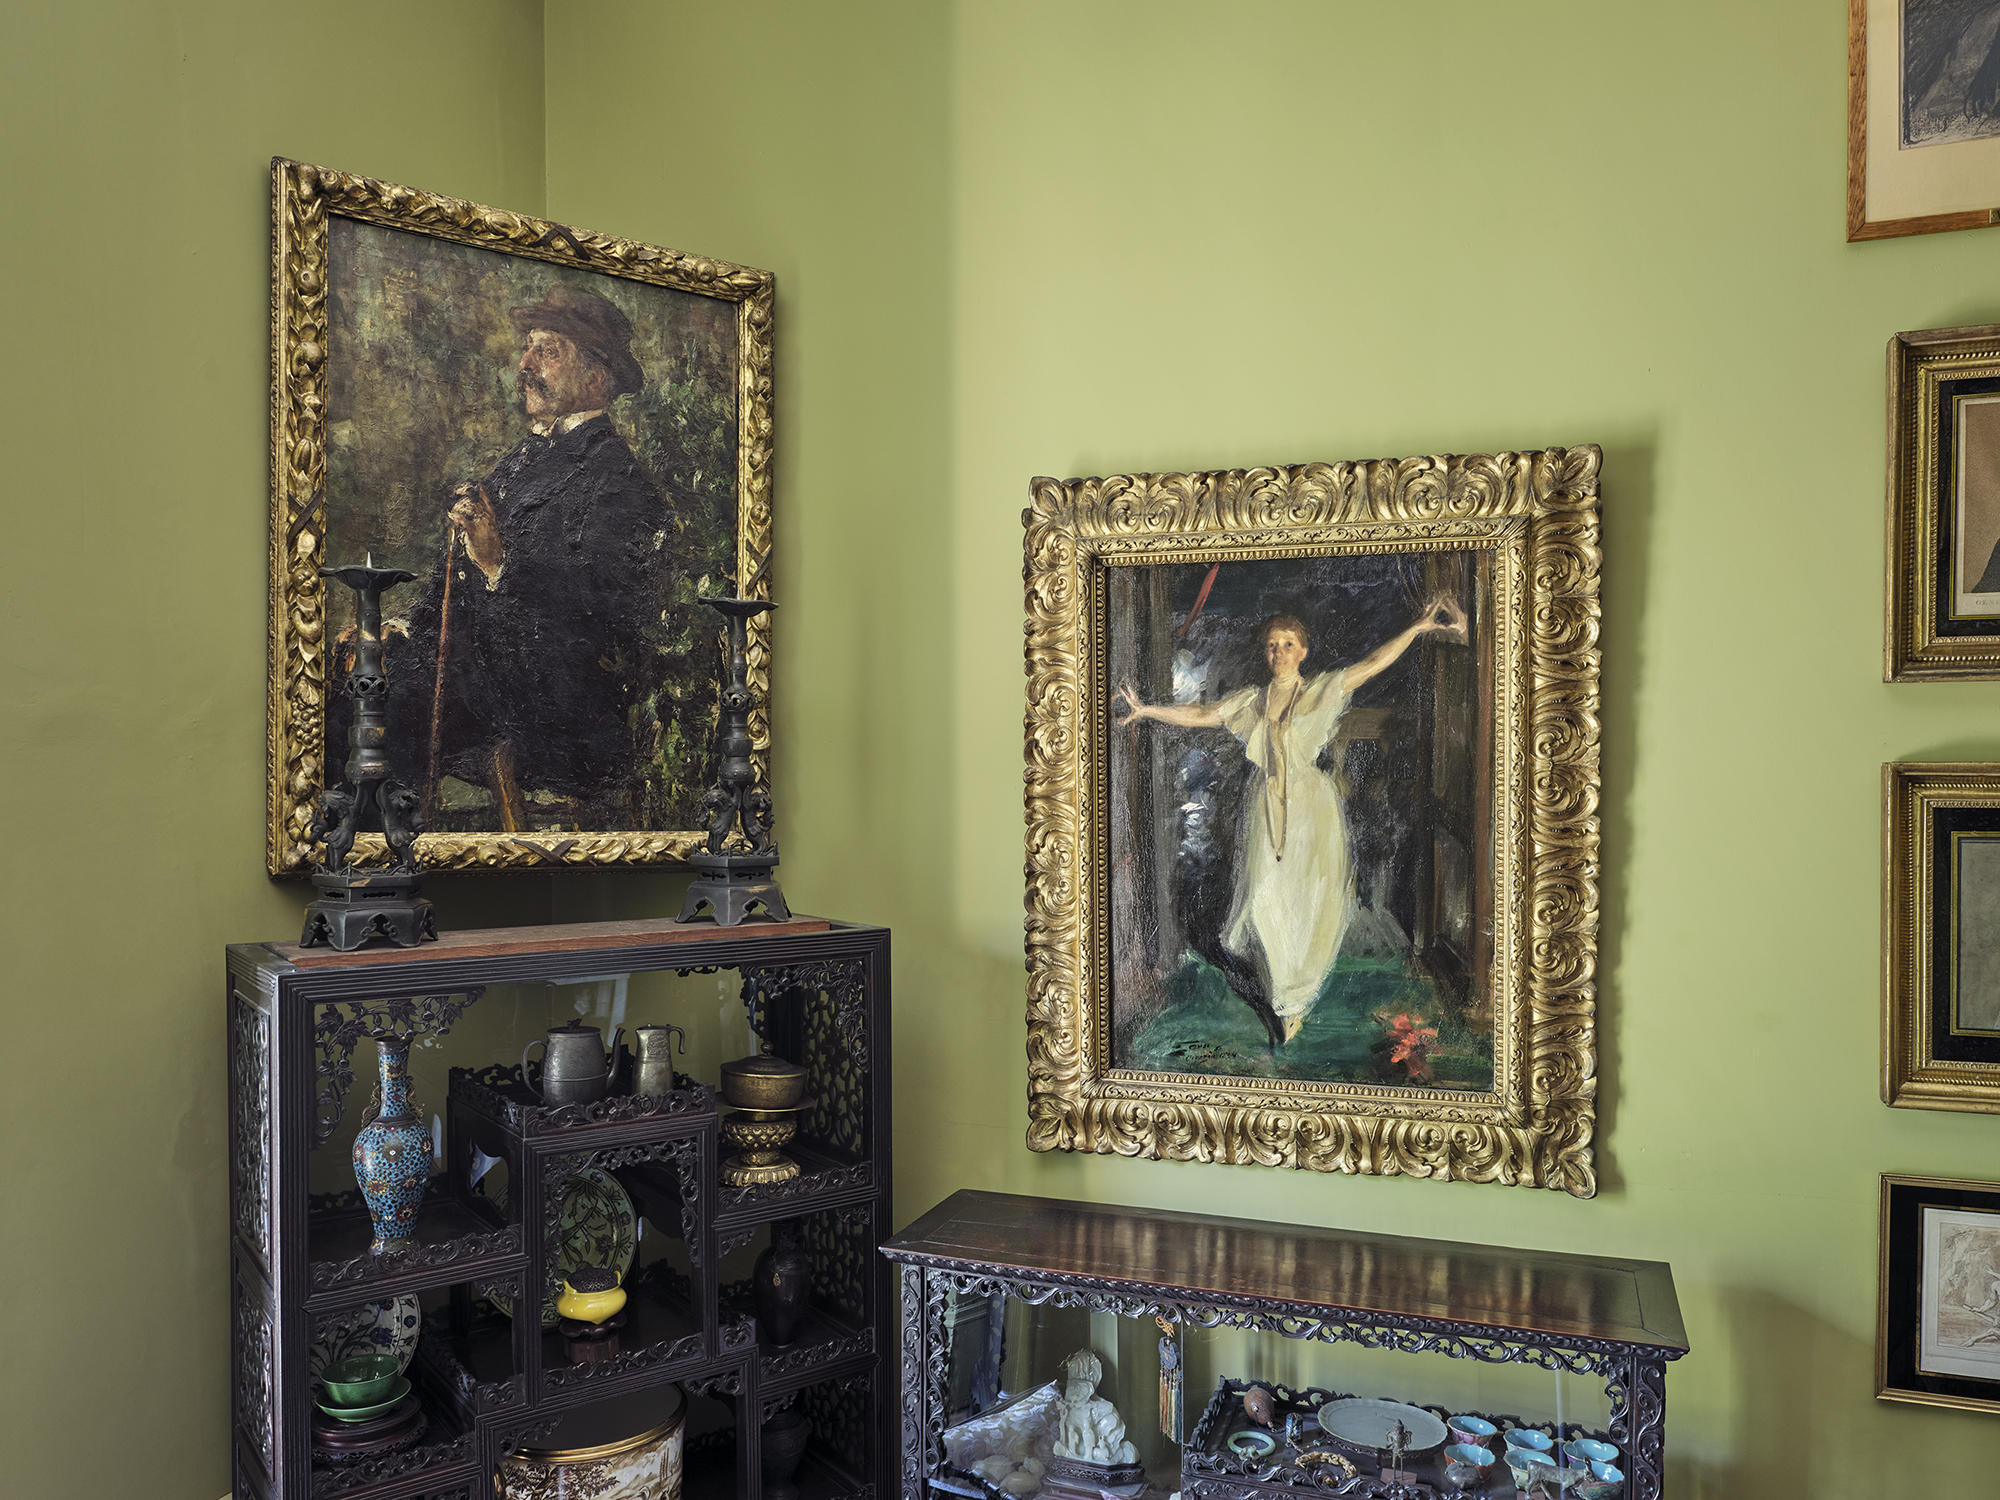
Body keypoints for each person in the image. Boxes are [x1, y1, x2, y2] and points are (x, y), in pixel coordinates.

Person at [345, 284, 669, 831]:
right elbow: (459, 581)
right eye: (528, 348)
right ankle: (354, 846)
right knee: (363, 671)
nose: (525, 365)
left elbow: (601, 610)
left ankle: (376, 855)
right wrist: (402, 630)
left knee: (378, 699)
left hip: (558, 703)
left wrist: (501, 565)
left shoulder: (619, 480)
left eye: (548, 351)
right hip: (489, 678)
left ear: (596, 377)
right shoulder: (520, 463)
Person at [1115, 598, 1467, 1044]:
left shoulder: (1321, 690)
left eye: (1288, 644)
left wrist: (1417, 628)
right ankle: (1283, 992)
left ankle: (1293, 1002)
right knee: (1265, 898)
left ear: (1303, 651)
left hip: (1312, 810)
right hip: (1265, 808)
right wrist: (1148, 711)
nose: (1278, 653)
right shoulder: (1252, 700)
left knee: (1311, 902)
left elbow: (1374, 663)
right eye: (1272, 645)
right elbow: (1204, 714)